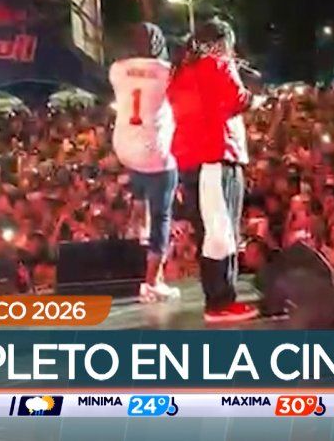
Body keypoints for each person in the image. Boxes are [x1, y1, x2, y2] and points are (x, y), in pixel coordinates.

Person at [168, 18, 258, 324]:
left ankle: (219, 299)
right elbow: (237, 99)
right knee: (221, 231)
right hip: (217, 156)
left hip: (192, 160)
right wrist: (254, 95)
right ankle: (220, 303)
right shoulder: (218, 64)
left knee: (210, 230)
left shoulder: (180, 71)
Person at [109, 22, 180, 303]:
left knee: (141, 183)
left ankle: (138, 216)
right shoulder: (166, 72)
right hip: (154, 151)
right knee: (162, 215)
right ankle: (152, 282)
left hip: (125, 148)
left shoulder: (117, 69)